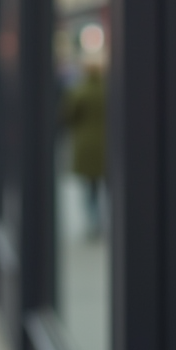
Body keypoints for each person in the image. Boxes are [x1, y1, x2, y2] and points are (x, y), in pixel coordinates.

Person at [62, 58, 106, 236]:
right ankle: (105, 221)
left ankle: (94, 222)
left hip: (86, 145)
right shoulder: (109, 90)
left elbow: (67, 116)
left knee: (90, 187)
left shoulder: (79, 92)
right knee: (109, 187)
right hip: (107, 145)